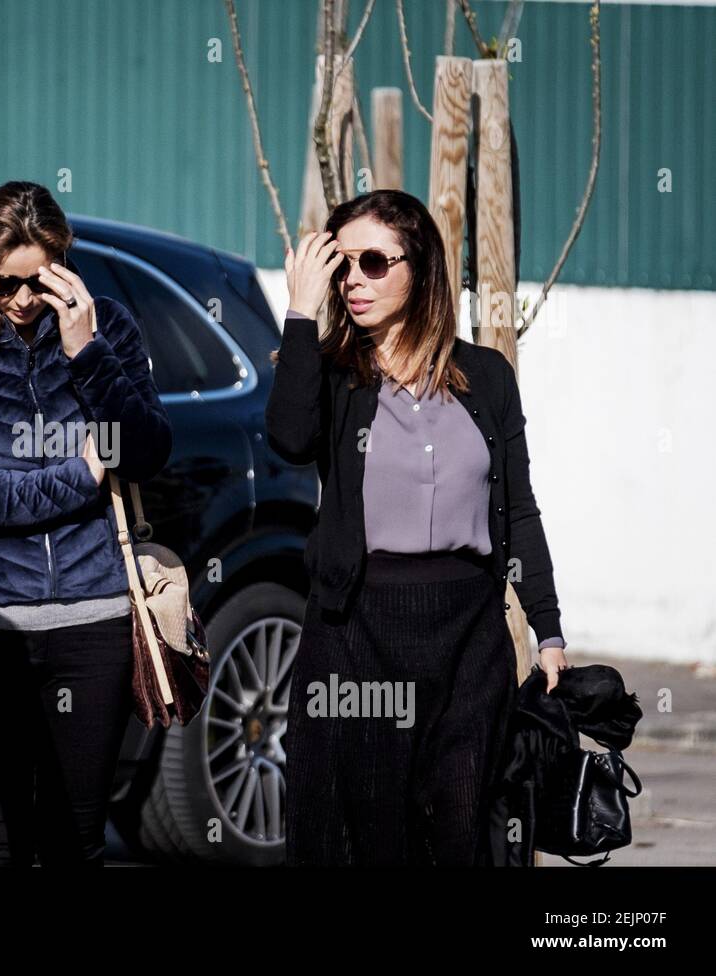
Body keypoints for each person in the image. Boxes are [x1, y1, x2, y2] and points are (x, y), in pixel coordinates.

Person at [266, 188, 570, 866]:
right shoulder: (334, 374)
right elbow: (288, 438)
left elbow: (518, 508)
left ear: (421, 266)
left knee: (463, 827)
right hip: (359, 633)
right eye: (342, 264)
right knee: (376, 834)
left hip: (468, 637)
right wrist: (299, 311)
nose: (354, 281)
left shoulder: (486, 377)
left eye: (374, 261)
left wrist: (547, 630)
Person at [0, 180, 172, 865]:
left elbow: (145, 452)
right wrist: (78, 475)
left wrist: (85, 352)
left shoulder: (106, 326)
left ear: (65, 265)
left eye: (41, 280)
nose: (25, 301)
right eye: (5, 285)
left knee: (73, 843)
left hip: (93, 624)